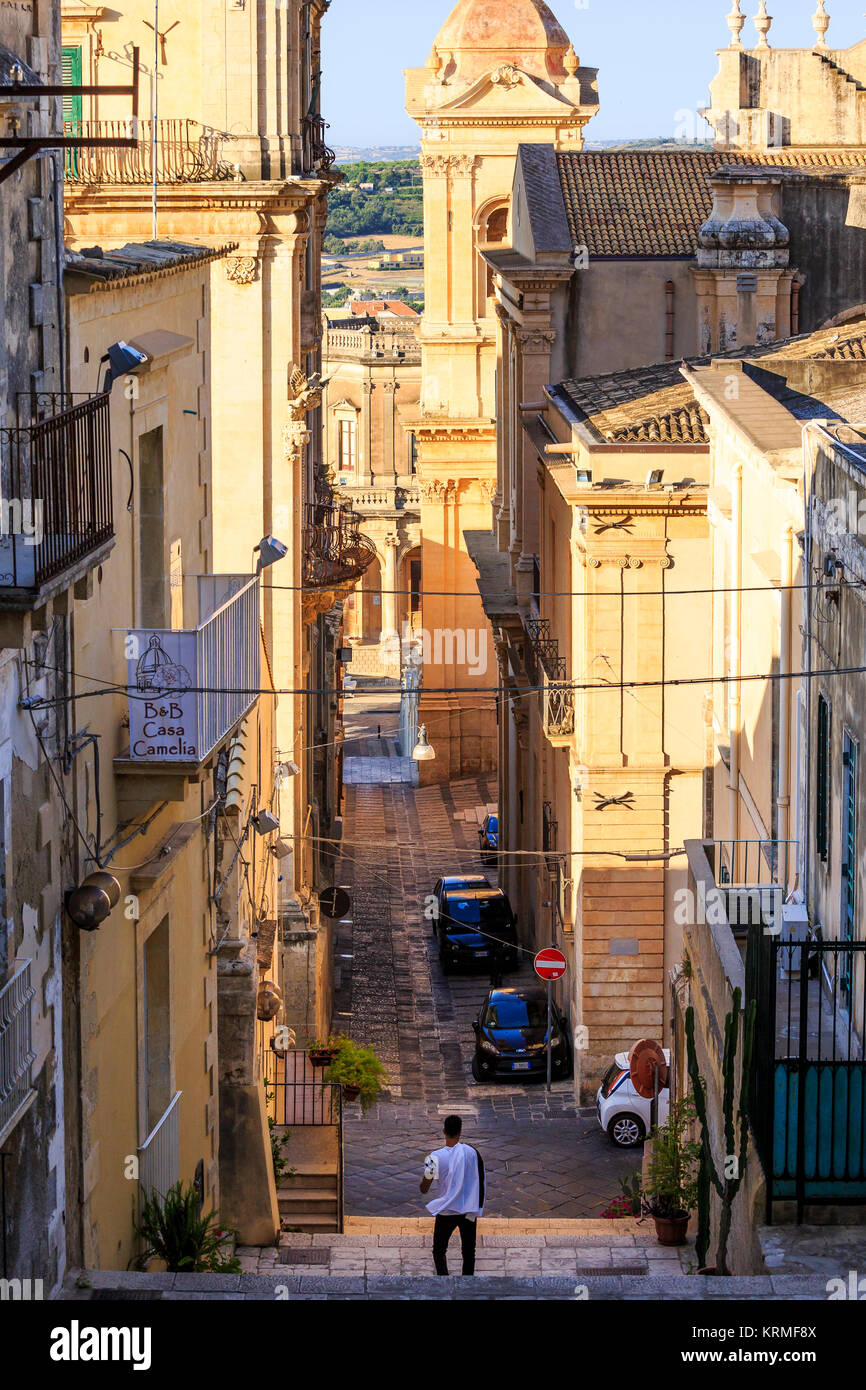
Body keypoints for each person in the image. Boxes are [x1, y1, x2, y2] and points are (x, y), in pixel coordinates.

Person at [419, 1114, 485, 1276]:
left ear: (444, 1131)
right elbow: (480, 1179)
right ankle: (466, 1282)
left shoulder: (433, 1157)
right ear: (460, 1132)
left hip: (446, 1210)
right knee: (469, 1251)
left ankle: (444, 1280)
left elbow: (424, 1188)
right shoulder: (472, 1153)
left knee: (439, 1250)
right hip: (467, 1209)